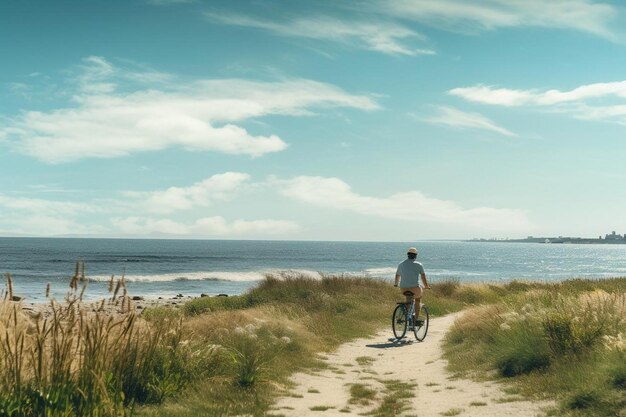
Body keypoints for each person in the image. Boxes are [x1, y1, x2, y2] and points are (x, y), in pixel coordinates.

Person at [394, 247, 430, 324]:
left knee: (408, 300)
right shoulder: (419, 265)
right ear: (415, 256)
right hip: (415, 288)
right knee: (418, 299)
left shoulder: (401, 264)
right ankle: (415, 319)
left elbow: (397, 275)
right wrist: (426, 286)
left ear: (408, 255)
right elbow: (423, 277)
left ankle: (406, 317)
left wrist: (396, 284)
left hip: (403, 288)